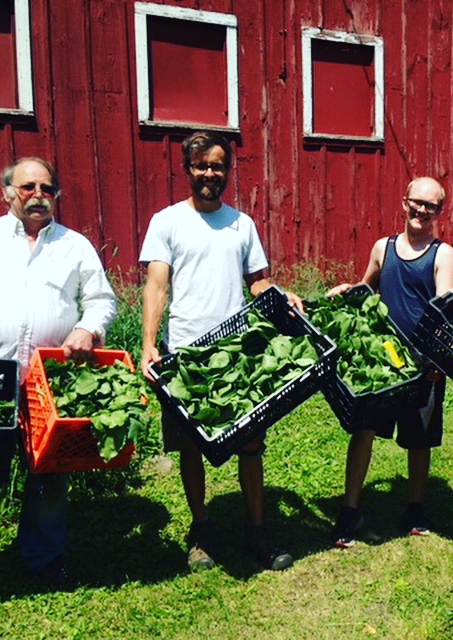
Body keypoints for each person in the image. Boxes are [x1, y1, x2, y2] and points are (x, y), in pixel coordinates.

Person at [0, 157, 118, 603]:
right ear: (6, 193)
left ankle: (44, 557)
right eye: (28, 187)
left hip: (50, 380)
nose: (38, 195)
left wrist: (87, 329)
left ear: (57, 195)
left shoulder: (75, 246)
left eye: (47, 188)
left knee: (51, 475)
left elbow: (101, 300)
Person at [140, 130, 302, 572]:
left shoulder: (241, 224)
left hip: (237, 352)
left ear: (228, 170)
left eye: (217, 166)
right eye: (201, 166)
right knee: (191, 446)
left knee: (251, 441)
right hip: (185, 355)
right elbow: (157, 285)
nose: (210, 173)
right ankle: (202, 529)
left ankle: (256, 529)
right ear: (187, 169)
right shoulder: (167, 221)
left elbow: (258, 282)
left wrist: (281, 295)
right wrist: (150, 343)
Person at [326, 176, 453, 548]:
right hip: (381, 361)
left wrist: (437, 358)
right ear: (405, 202)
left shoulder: (442, 254)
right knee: (363, 430)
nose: (422, 210)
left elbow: (444, 310)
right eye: (417, 202)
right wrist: (348, 290)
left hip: (422, 365)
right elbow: (367, 286)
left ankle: (415, 506)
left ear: (439, 211)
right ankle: (350, 508)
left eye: (431, 206)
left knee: (419, 439)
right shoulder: (383, 247)